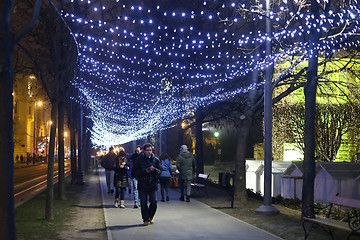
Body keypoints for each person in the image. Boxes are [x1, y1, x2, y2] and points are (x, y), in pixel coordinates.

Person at [132, 143, 161, 226]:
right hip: (142, 184)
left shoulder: (156, 160)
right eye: (147, 150)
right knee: (143, 203)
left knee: (154, 202)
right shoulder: (139, 160)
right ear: (144, 151)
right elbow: (135, 172)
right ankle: (145, 219)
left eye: (150, 150)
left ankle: (150, 216)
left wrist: (154, 170)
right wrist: (145, 171)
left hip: (152, 184)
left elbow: (160, 171)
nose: (149, 152)